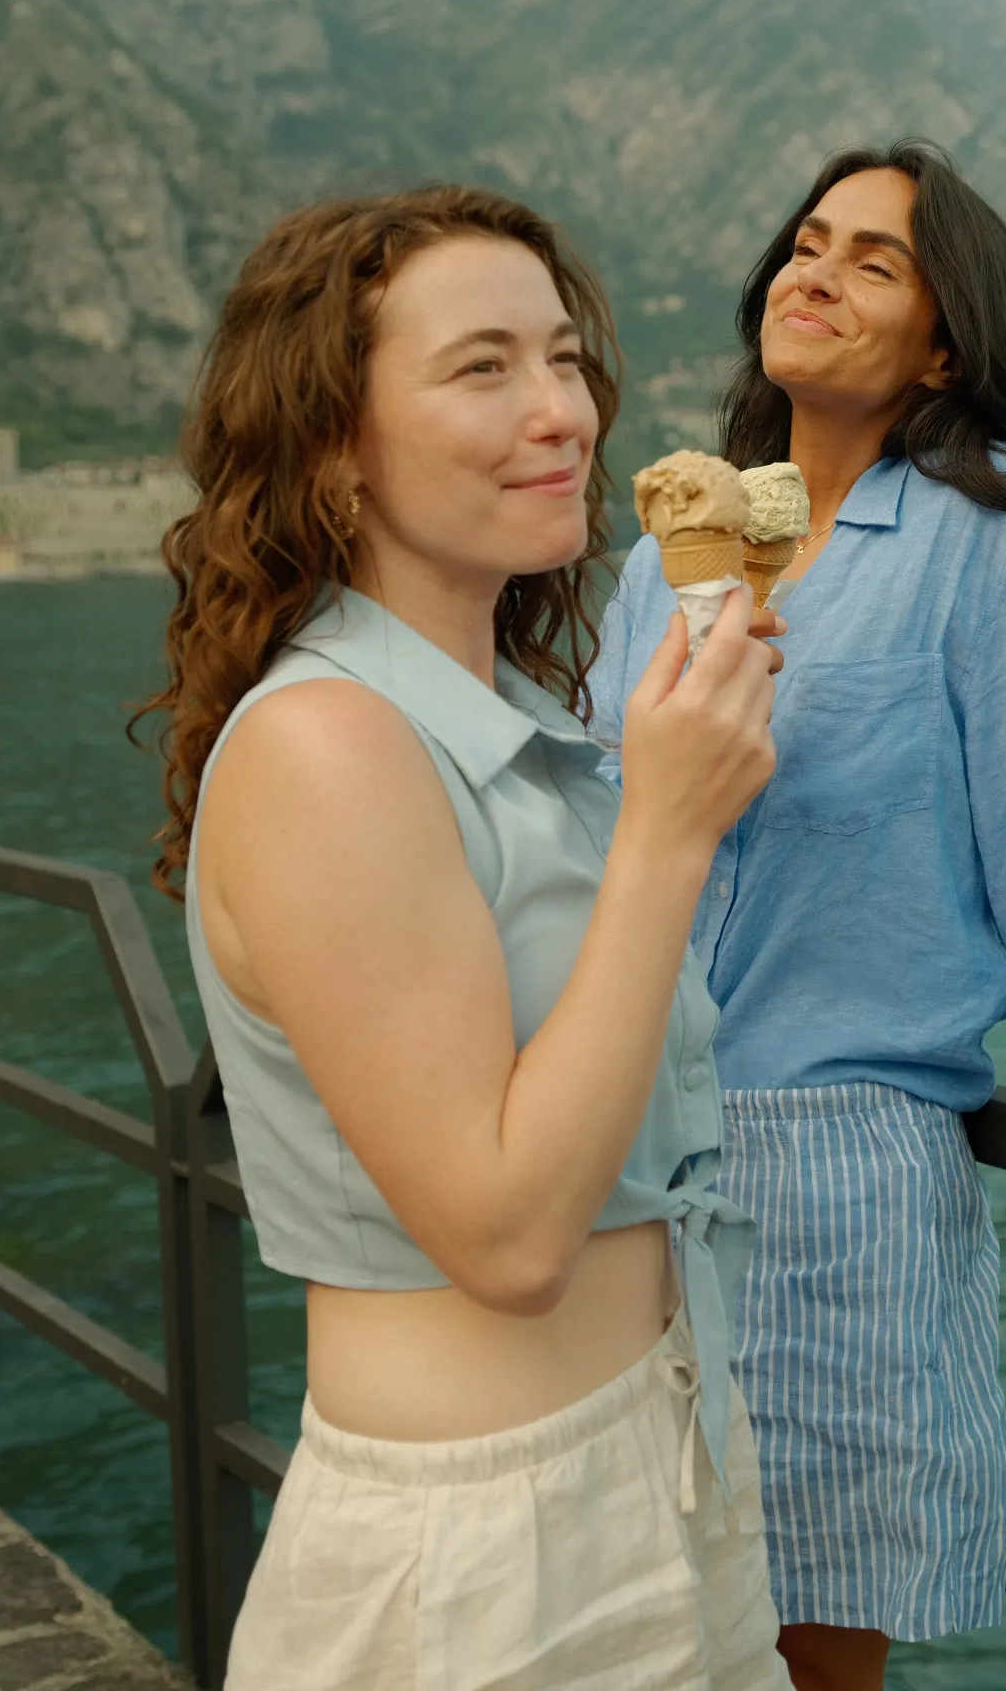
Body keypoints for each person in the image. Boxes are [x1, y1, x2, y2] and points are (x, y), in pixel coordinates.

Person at [587, 142, 1006, 1691]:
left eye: (876, 261)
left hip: (836, 1186)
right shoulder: (648, 577)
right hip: (606, 1160)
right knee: (620, 1636)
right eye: (809, 241)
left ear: (943, 345)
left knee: (805, 1661)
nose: (817, 272)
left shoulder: (994, 544)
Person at [140, 185, 790, 1689]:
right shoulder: (326, 747)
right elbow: (502, 1232)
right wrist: (671, 832)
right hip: (488, 1553)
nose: (560, 409)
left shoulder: (519, 732)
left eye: (564, 360)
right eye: (481, 367)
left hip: (667, 1468)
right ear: (329, 446)